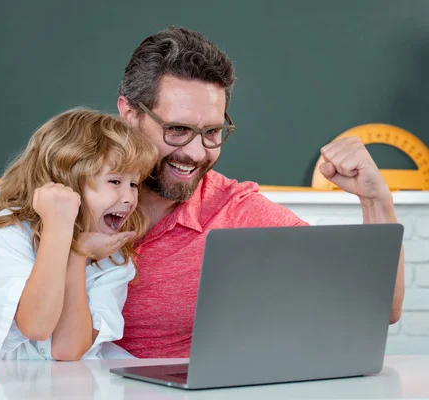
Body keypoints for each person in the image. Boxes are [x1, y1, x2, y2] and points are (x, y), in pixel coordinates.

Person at [112, 26, 405, 358]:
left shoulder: (234, 211)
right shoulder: (70, 194)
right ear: (130, 114)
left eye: (212, 131)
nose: (196, 153)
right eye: (177, 129)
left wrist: (376, 200)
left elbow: (377, 309)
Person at [0, 109, 158, 360]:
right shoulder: (11, 233)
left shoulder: (114, 256)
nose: (129, 198)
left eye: (134, 184)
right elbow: (36, 326)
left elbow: (67, 350)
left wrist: (77, 254)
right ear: (66, 182)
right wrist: (59, 226)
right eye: (115, 182)